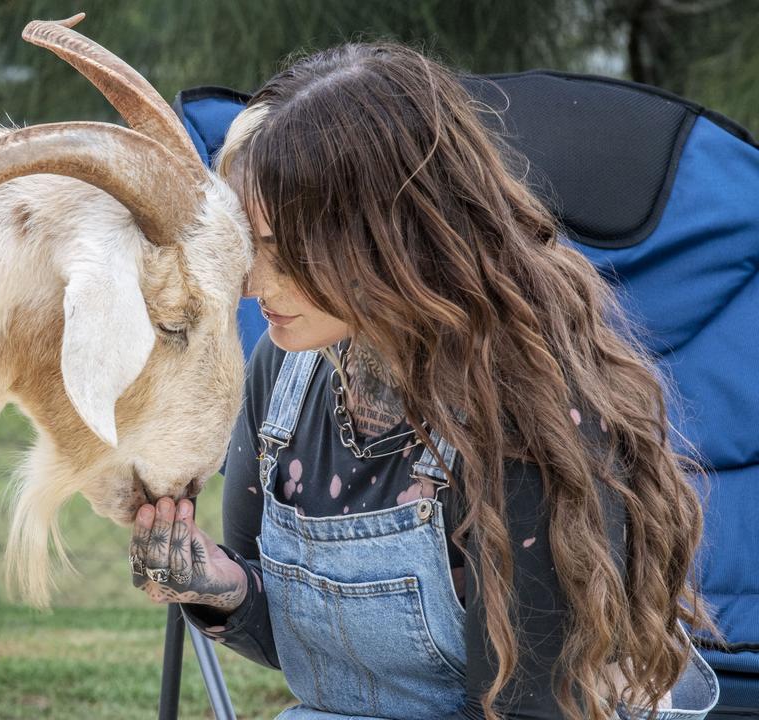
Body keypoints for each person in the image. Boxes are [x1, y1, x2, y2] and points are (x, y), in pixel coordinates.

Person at [127, 43, 719, 720]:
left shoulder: (524, 416)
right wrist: (223, 588)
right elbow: (316, 652)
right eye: (246, 241)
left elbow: (533, 707)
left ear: (388, 237)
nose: (249, 280)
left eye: (282, 247)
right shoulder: (282, 375)